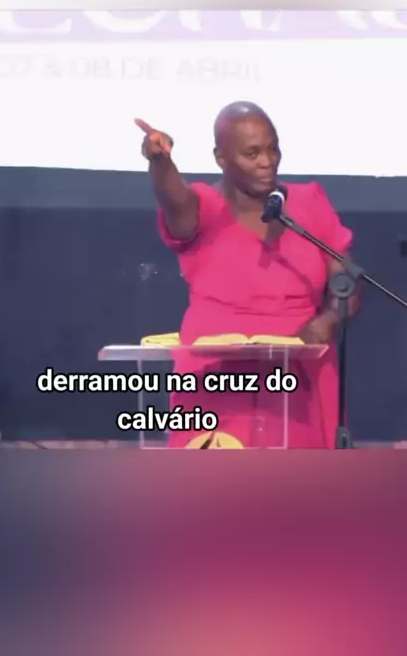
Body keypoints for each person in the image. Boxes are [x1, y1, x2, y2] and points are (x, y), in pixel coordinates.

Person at [135, 102, 359, 449]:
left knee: (304, 481)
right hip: (217, 379)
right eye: (252, 153)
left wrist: (319, 329)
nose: (267, 162)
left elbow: (347, 287)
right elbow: (175, 201)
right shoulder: (204, 207)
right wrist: (160, 162)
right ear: (221, 158)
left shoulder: (308, 204)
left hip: (302, 377)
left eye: (273, 149)